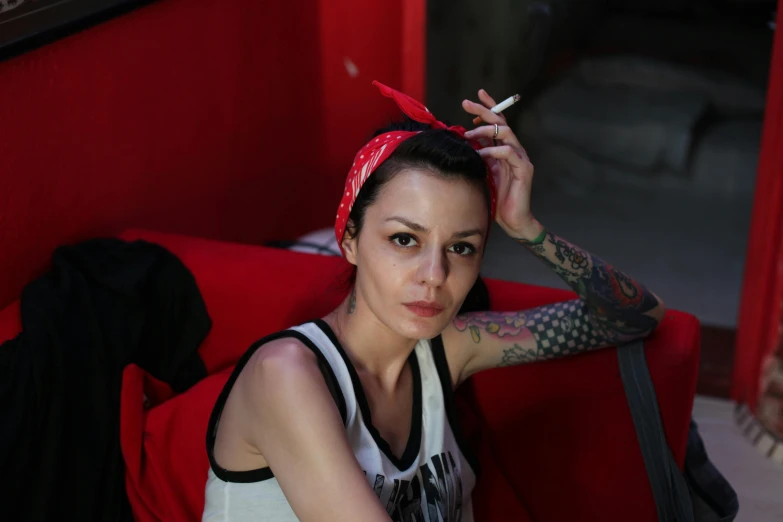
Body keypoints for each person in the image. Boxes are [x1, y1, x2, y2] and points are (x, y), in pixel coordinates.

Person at [202, 82, 665, 522]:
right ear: (349, 240)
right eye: (405, 239)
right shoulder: (286, 375)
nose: (434, 276)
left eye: (461, 247)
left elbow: (637, 316)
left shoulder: (451, 347)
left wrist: (527, 229)